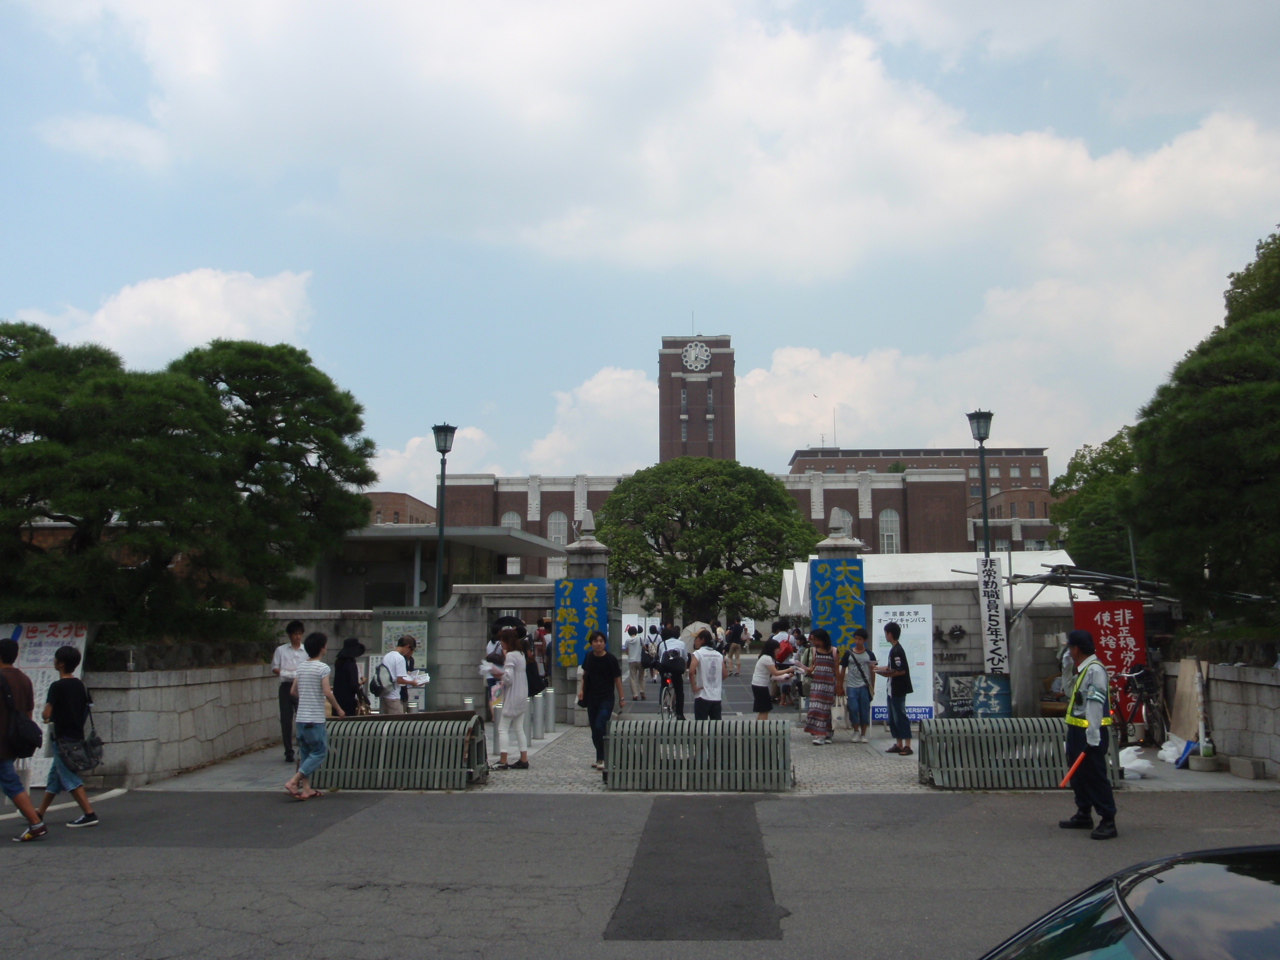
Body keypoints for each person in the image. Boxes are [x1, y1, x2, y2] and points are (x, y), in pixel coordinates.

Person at [1060, 630, 1118, 840]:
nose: (1067, 651)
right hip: (1078, 730)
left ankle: (1108, 819)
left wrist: (1093, 734)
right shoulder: (1083, 670)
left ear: (1076, 649)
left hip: (1091, 731)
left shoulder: (1095, 670)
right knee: (1078, 775)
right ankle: (1084, 813)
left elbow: (1095, 703)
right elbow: (1069, 692)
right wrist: (1066, 667)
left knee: (1094, 775)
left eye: (1069, 647)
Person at [35, 645, 98, 828]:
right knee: (55, 777)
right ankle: (39, 813)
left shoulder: (57, 686)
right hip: (77, 736)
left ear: (61, 663)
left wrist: (46, 715)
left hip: (61, 738)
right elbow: (87, 709)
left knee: (69, 776)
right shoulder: (81, 685)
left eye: (55, 659)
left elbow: (47, 714)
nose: (54, 662)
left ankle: (89, 813)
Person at [285, 632, 344, 800]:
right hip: (315, 719)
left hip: (301, 718)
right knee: (319, 752)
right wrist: (338, 709)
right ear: (322, 648)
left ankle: (307, 789)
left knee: (305, 754)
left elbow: (293, 691)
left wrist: (306, 697)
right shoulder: (323, 668)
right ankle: (294, 781)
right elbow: (327, 692)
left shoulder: (301, 667)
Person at [1, 637, 47, 842]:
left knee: (10, 782)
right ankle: (36, 822)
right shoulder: (24, 679)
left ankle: (36, 823)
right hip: (12, 741)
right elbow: (28, 714)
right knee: (8, 779)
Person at [580, 631, 624, 770]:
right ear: (591, 643)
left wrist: (621, 697)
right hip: (591, 697)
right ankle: (600, 758)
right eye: (595, 641)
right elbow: (585, 674)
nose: (598, 643)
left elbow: (617, 679)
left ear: (605, 643)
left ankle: (605, 757)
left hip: (606, 698)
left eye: (601, 641)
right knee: (594, 730)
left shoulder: (611, 659)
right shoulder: (589, 656)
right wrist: (581, 690)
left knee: (600, 725)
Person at [490, 627, 530, 770]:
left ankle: (503, 759)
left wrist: (497, 673)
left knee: (503, 728)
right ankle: (524, 758)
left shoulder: (511, 656)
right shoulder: (520, 654)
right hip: (522, 693)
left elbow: (509, 679)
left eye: (502, 640)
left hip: (513, 695)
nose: (501, 643)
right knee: (519, 728)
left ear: (507, 641)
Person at [873, 622, 913, 756]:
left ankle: (907, 745)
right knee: (892, 718)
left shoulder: (897, 650)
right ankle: (899, 743)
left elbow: (901, 671)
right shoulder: (894, 649)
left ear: (890, 634)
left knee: (900, 717)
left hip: (898, 689)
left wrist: (886, 673)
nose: (885, 636)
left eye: (886, 633)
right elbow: (892, 667)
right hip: (891, 688)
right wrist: (878, 669)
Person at [271, 620, 307, 762]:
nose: (297, 637)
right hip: (286, 686)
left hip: (301, 687)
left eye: (300, 634)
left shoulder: (306, 650)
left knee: (302, 718)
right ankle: (288, 751)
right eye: (295, 634)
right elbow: (274, 667)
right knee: (286, 720)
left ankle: (303, 747)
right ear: (290, 635)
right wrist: (285, 672)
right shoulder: (281, 650)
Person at [839, 628, 877, 742]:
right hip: (851, 685)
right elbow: (843, 668)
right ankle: (855, 731)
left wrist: (872, 686)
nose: (857, 641)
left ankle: (863, 734)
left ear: (864, 640)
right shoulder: (848, 653)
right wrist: (840, 685)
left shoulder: (870, 654)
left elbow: (873, 671)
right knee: (853, 708)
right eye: (855, 638)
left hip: (865, 686)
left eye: (860, 639)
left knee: (864, 709)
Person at [801, 629, 838, 745]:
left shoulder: (834, 651)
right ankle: (820, 733)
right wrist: (808, 670)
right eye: (814, 640)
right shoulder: (814, 651)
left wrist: (839, 685)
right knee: (815, 709)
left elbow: (836, 670)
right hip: (816, 683)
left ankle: (826, 734)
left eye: (817, 640)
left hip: (829, 684)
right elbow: (813, 667)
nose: (815, 642)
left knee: (826, 710)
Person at [751, 638, 795, 720]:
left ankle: (758, 727)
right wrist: (788, 670)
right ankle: (762, 728)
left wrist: (786, 675)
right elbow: (775, 672)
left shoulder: (765, 657)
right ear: (772, 648)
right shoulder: (767, 658)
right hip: (760, 686)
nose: (779, 650)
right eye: (778, 648)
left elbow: (772, 675)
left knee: (763, 709)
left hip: (759, 685)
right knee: (765, 709)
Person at [689, 628, 727, 721]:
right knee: (716, 726)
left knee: (700, 726)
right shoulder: (718, 655)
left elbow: (691, 671)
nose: (695, 641)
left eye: (697, 638)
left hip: (702, 695)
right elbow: (725, 674)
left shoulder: (698, 653)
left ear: (702, 640)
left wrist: (694, 686)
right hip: (716, 696)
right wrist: (715, 680)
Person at [379, 635, 421, 715]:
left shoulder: (387, 656)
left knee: (385, 722)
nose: (408, 652)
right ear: (407, 646)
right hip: (394, 696)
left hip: (384, 694)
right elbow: (400, 680)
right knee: (397, 723)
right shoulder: (400, 658)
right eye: (410, 650)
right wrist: (413, 682)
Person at [654, 626, 689, 720]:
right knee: (679, 691)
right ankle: (680, 714)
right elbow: (685, 658)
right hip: (677, 670)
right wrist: (684, 670)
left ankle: (661, 703)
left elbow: (660, 657)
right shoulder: (682, 644)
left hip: (665, 668)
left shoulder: (662, 644)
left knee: (663, 684)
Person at [331, 637, 366, 717]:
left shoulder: (339, 663)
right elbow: (354, 686)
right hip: (348, 703)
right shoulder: (351, 665)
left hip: (337, 701)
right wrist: (362, 682)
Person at [624, 626, 646, 701]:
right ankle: (642, 692)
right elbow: (645, 647)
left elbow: (626, 651)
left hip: (631, 660)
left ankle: (635, 694)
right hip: (640, 660)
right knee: (641, 677)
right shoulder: (640, 639)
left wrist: (630, 654)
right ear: (636, 632)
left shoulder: (627, 640)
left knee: (633, 678)